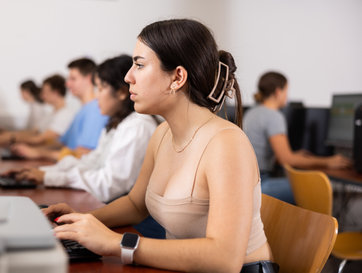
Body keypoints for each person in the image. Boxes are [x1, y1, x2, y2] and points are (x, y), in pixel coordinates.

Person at [42, 19, 279, 273]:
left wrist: (116, 243)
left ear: (177, 77)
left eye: (139, 65)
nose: (128, 77)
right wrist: (81, 220)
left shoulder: (226, 144)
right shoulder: (162, 133)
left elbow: (225, 260)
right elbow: (136, 204)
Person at [4, 55, 158, 203]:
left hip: (130, 216)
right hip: (109, 200)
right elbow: (91, 162)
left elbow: (108, 185)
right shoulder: (117, 123)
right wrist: (42, 172)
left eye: (101, 88)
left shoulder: (136, 127)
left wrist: (48, 177)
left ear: (122, 92)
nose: (97, 96)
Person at [243, 71, 352, 203]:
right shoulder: (273, 116)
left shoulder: (252, 112)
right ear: (278, 92)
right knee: (315, 187)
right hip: (260, 184)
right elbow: (286, 159)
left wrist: (294, 155)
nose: (287, 96)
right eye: (286, 91)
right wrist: (327, 161)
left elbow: (267, 154)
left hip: (247, 183)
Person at [10, 58, 109, 161]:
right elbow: (61, 143)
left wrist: (38, 153)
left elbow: (83, 154)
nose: (67, 84)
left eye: (73, 79)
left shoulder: (95, 110)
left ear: (88, 79)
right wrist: (33, 150)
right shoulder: (83, 110)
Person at [7, 74, 79, 146]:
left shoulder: (65, 115)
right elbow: (35, 132)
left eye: (44, 92)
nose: (42, 96)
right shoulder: (51, 114)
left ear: (55, 92)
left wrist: (10, 138)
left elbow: (40, 139)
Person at [0, 80, 50, 145]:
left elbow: (34, 132)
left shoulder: (37, 108)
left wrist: (9, 135)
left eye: (21, 92)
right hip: (29, 139)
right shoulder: (33, 106)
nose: (20, 95)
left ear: (26, 92)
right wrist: (8, 132)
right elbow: (29, 129)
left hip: (34, 142)